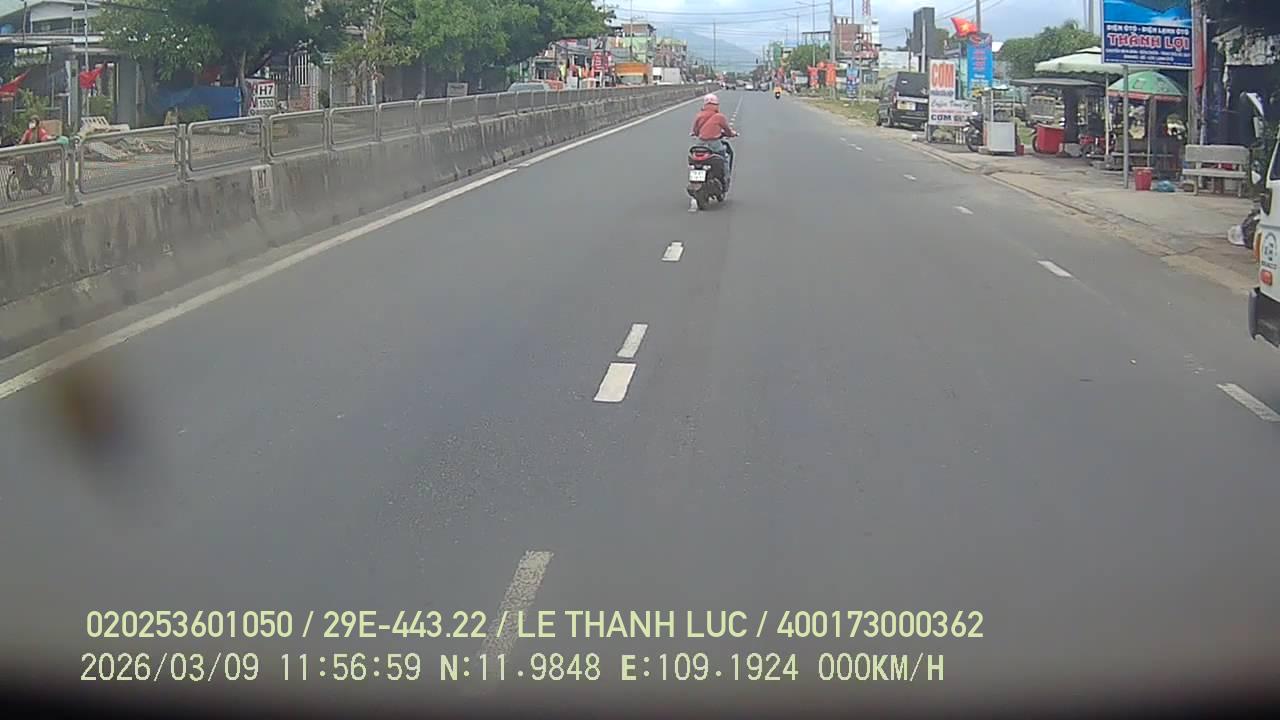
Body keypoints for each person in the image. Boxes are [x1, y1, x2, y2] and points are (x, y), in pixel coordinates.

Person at [691, 93, 737, 176]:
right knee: (723, 159)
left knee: (695, 160)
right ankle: (726, 177)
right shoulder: (719, 117)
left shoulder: (699, 115)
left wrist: (697, 133)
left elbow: (695, 131)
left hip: (700, 143)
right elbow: (727, 131)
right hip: (714, 143)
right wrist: (732, 134)